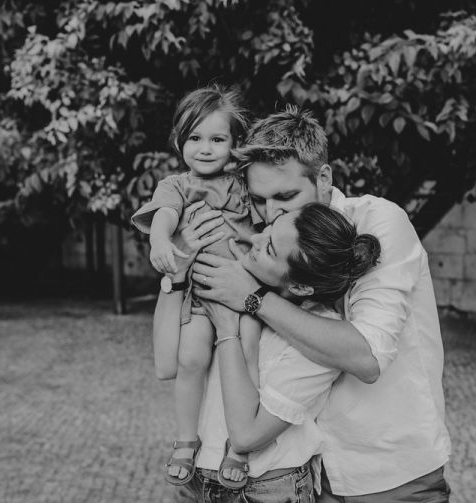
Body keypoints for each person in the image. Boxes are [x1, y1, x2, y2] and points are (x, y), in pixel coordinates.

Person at [191, 107, 452, 502]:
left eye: (286, 196)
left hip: (391, 474)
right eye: (260, 200)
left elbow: (367, 357)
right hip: (311, 474)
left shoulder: (379, 221)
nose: (272, 213)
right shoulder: (269, 247)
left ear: (324, 178)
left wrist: (252, 297)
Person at [155, 200, 382, 502]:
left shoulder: (317, 336)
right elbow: (166, 365)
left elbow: (245, 435)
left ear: (300, 287)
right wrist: (177, 274)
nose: (255, 238)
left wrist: (227, 331)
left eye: (271, 249)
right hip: (196, 480)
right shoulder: (233, 281)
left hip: (266, 490)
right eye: (268, 230)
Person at [130, 85, 262, 487]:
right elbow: (166, 214)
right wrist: (159, 239)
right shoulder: (177, 185)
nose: (205, 148)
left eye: (218, 139)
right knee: (189, 359)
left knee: (247, 355)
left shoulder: (245, 182)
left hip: (243, 295)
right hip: (199, 295)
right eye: (195, 138)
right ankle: (187, 438)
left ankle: (240, 445)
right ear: (178, 141)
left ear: (236, 144)